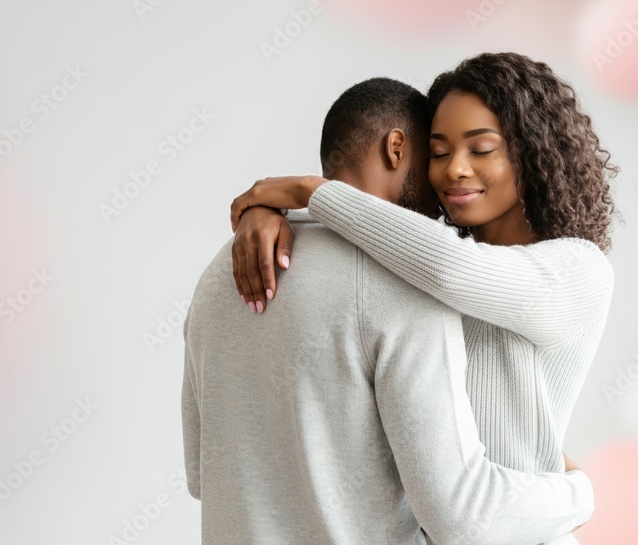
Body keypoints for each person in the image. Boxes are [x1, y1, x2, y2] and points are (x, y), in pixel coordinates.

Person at [182, 77, 594, 545]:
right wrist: (578, 493)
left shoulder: (224, 270)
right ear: (397, 149)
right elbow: (460, 515)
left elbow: (201, 474)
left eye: (479, 149)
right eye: (435, 153)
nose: (444, 183)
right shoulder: (410, 287)